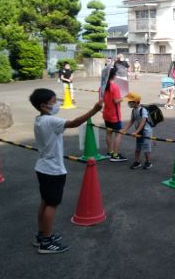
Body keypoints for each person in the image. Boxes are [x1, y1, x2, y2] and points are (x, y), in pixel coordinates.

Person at [29, 88, 102, 253]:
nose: (57, 104)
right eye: (54, 102)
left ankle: (42, 235)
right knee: (51, 205)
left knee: (45, 202)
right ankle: (46, 243)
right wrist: (94, 110)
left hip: (43, 167)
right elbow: (74, 123)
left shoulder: (40, 120)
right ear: (43, 106)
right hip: (52, 169)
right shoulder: (50, 121)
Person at [102, 67, 127, 162]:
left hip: (106, 114)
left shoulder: (102, 86)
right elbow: (116, 101)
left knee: (109, 133)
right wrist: (124, 97)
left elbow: (102, 100)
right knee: (118, 133)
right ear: (114, 76)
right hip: (114, 115)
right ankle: (115, 155)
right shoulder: (115, 87)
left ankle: (110, 152)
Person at [123, 93, 153, 170]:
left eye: (130, 102)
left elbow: (143, 122)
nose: (129, 103)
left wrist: (136, 131)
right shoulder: (133, 110)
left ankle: (148, 162)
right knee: (138, 147)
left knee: (146, 148)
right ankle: (137, 162)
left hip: (146, 132)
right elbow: (131, 121)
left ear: (136, 102)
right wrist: (125, 129)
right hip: (139, 131)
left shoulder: (143, 110)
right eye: (129, 102)